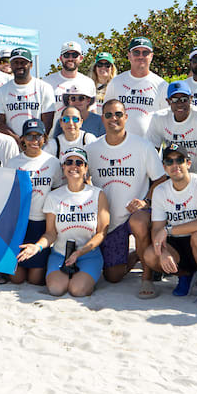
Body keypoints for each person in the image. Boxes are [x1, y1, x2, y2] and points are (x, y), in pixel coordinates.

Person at [16, 147, 109, 298]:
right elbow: (51, 233)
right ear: (63, 167)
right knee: (55, 289)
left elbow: (101, 233)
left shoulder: (97, 194)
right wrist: (37, 247)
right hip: (60, 254)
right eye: (69, 162)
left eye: (79, 162)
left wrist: (80, 252)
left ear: (85, 168)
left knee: (78, 290)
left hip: (88, 255)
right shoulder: (53, 196)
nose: (74, 166)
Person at [86, 99, 161, 284]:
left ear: (126, 117)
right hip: (110, 220)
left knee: (139, 222)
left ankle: (146, 277)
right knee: (113, 276)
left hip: (138, 213)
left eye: (118, 114)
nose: (114, 118)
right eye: (108, 115)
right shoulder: (91, 149)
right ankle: (137, 255)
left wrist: (146, 202)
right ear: (102, 119)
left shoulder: (143, 146)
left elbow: (160, 180)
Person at [143, 143, 197, 306]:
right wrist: (163, 251)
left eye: (179, 160)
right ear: (164, 167)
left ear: (188, 163)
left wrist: (169, 229)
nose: (175, 165)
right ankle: (184, 275)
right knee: (150, 255)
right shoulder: (160, 190)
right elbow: (156, 228)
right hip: (176, 243)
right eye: (169, 162)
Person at [3, 119, 63, 285]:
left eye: (38, 136)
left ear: (44, 138)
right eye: (29, 136)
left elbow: (57, 190)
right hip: (20, 223)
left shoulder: (53, 163)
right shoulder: (13, 162)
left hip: (41, 223)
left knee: (35, 279)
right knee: (17, 278)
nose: (34, 141)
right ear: (22, 139)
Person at [146, 81, 197, 182]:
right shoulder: (158, 118)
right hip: (171, 175)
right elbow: (152, 153)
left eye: (184, 99)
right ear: (168, 101)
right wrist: (158, 182)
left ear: (191, 99)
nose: (180, 104)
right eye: (175, 100)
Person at [104, 37, 168, 137]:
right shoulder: (116, 82)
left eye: (145, 53)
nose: (140, 56)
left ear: (151, 56)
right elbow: (106, 114)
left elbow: (167, 120)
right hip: (119, 146)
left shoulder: (162, 85)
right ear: (129, 55)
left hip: (150, 147)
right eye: (136, 52)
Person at [0, 48, 56, 140]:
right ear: (11, 65)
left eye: (23, 63)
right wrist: (17, 139)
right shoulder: (1, 91)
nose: (19, 66)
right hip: (12, 145)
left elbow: (48, 121)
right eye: (16, 62)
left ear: (31, 65)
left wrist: (33, 140)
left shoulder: (44, 88)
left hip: (37, 144)